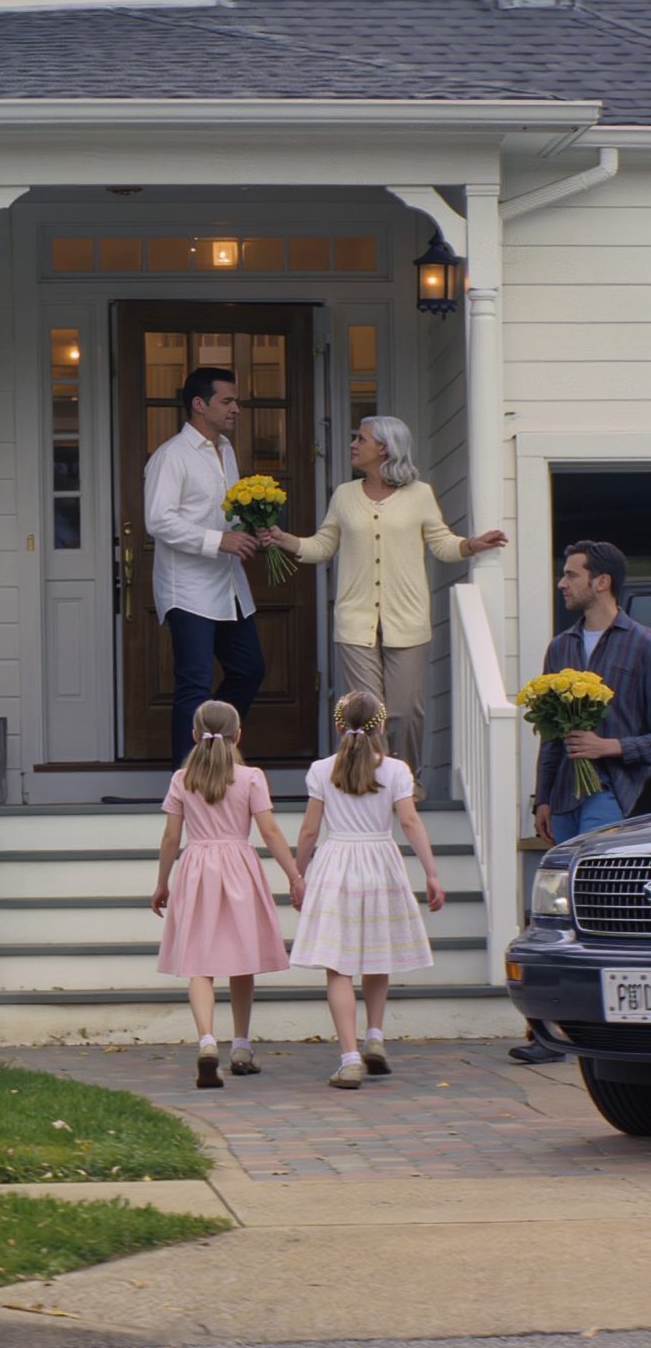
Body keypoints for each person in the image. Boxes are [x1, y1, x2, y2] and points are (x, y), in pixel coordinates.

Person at [261, 416, 506, 795]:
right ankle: (374, 782)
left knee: (405, 712)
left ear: (385, 449)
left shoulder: (420, 494)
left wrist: (472, 545)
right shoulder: (344, 495)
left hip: (407, 618)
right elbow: (322, 546)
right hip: (355, 620)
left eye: (361, 438)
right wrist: (284, 539)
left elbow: (440, 543)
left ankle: (405, 781)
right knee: (368, 711)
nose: (353, 444)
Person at [511, 539, 651, 1064]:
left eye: (571, 575)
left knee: (604, 916)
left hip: (615, 797)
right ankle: (545, 1033)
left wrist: (611, 746)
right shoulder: (560, 648)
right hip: (565, 794)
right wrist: (541, 799)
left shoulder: (643, 645)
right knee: (554, 918)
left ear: (602, 583)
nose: (561, 583)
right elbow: (549, 734)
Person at [291, 690, 445, 1089]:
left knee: (338, 967)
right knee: (378, 952)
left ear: (338, 725)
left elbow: (309, 829)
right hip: (380, 861)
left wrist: (297, 873)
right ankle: (374, 1036)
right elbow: (410, 822)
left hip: (336, 862)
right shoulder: (396, 770)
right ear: (381, 726)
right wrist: (431, 872)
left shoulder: (322, 769)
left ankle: (349, 1057)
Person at [151, 699, 303, 1089]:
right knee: (241, 958)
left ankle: (206, 1041)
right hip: (239, 867)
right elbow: (269, 832)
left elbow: (171, 837)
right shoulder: (251, 777)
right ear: (239, 735)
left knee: (200, 963)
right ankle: (240, 1045)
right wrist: (295, 875)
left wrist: (162, 882)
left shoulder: (182, 779)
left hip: (198, 867)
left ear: (193, 735)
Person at [144, 366, 265, 771]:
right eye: (227, 401)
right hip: (188, 588)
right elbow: (158, 521)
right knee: (193, 683)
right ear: (200, 405)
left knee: (249, 670)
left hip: (229, 586)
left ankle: (215, 750)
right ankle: (188, 778)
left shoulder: (226, 449)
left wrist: (249, 527)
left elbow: (219, 512)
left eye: (236, 401)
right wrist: (219, 541)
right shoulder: (171, 456)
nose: (236, 409)